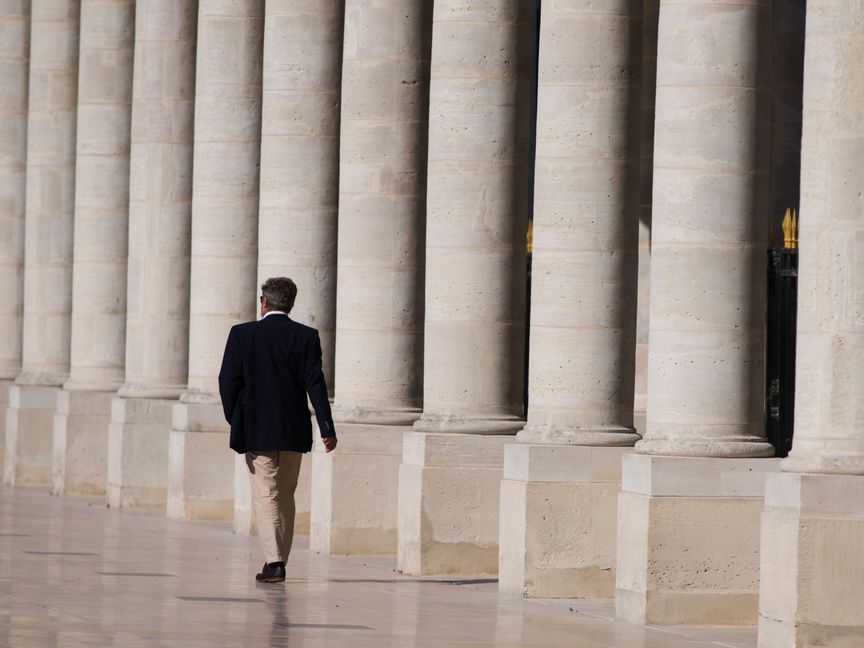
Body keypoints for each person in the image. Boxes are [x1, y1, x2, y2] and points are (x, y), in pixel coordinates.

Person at [218, 276, 337, 583]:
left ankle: (274, 562)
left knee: (266, 495)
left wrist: (236, 417)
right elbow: (316, 384)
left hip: (257, 429)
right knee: (286, 495)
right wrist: (326, 426)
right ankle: (279, 558)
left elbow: (227, 381)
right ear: (291, 304)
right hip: (294, 429)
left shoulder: (243, 334)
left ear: (264, 302)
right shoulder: (306, 336)